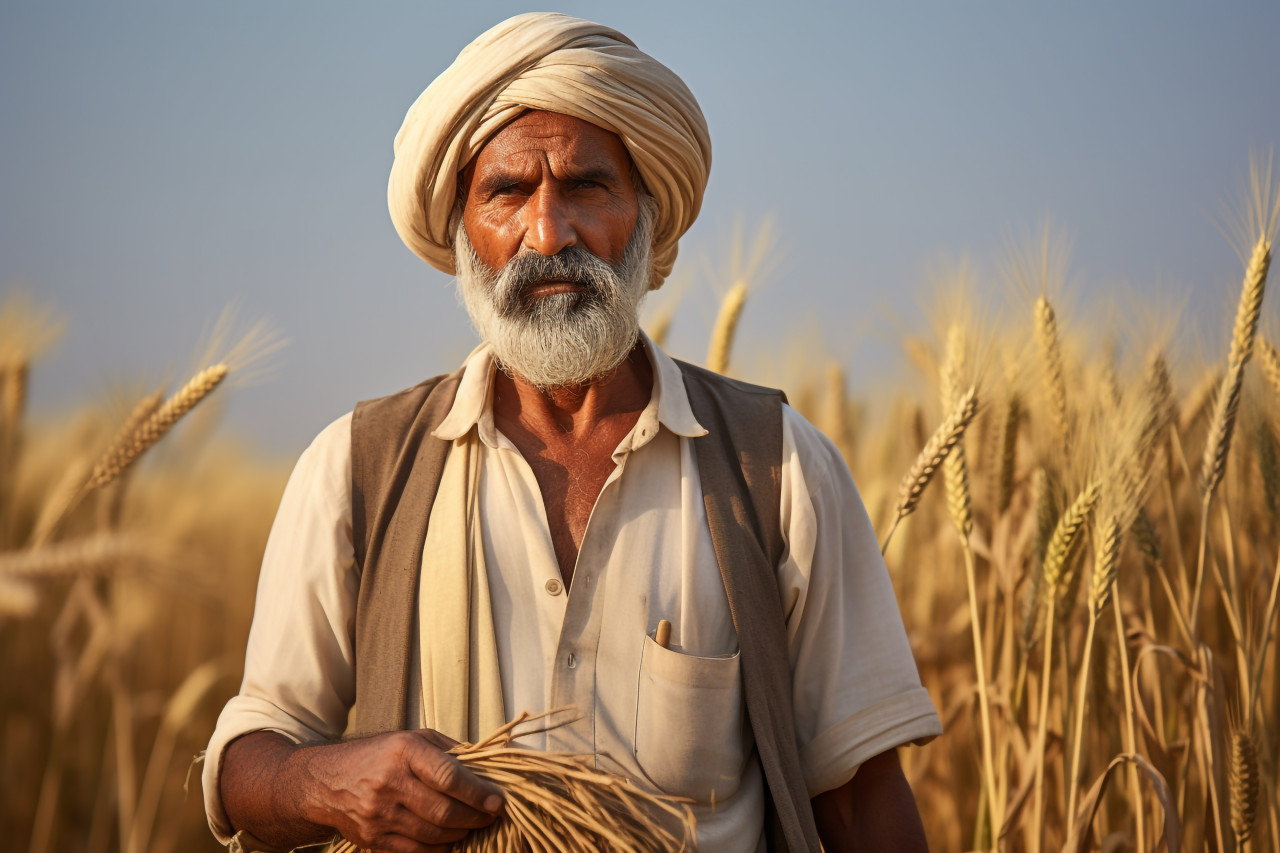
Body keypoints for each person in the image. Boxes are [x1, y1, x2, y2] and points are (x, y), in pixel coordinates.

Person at [204, 13, 942, 853]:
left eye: (588, 187)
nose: (548, 234)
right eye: (508, 192)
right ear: (462, 232)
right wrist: (325, 782)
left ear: (645, 216)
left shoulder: (777, 467)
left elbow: (861, 802)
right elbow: (245, 761)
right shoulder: (356, 468)